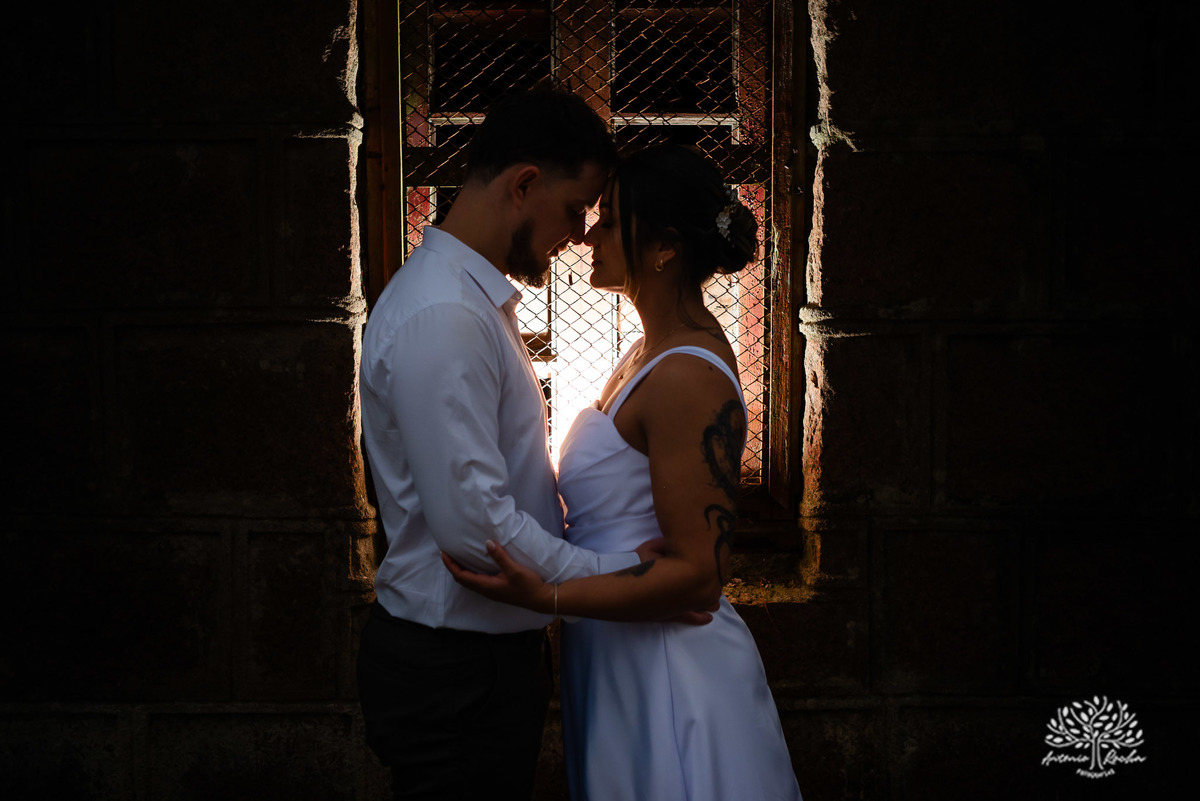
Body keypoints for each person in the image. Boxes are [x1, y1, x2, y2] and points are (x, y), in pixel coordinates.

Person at [445, 144, 803, 801]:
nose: (590, 235)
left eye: (610, 220)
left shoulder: (687, 376)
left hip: (668, 667)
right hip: (615, 649)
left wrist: (546, 596)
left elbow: (698, 575)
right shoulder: (646, 349)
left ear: (664, 247)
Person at [356, 90, 660, 801]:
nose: (580, 234)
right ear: (524, 184)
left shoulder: (468, 303)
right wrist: (619, 578)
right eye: (575, 208)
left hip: (477, 662)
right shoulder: (445, 315)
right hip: (455, 673)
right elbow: (475, 530)